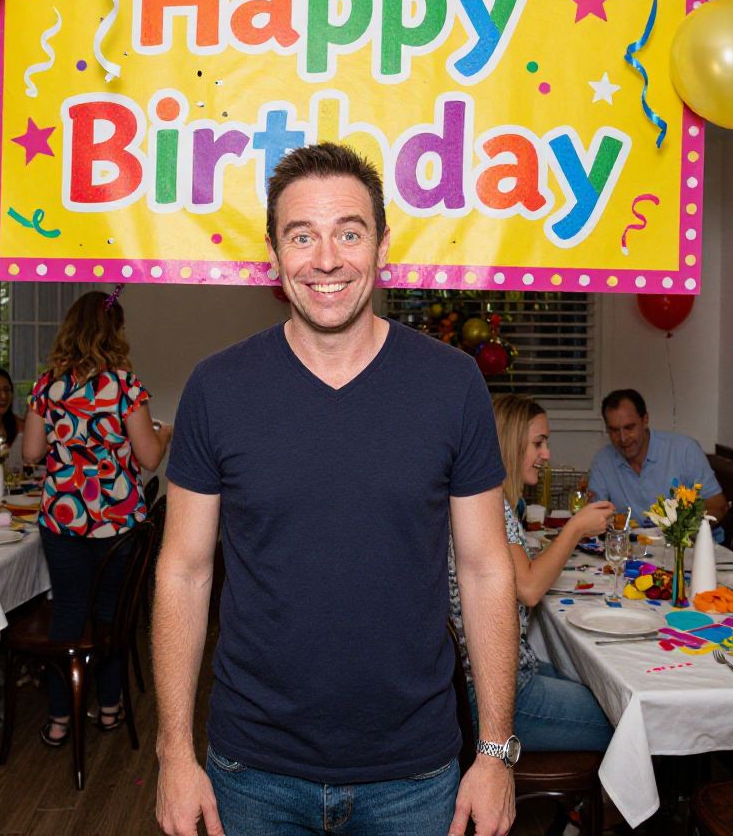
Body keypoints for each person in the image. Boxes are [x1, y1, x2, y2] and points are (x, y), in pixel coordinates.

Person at [153, 143, 520, 836]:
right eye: (302, 236)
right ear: (273, 252)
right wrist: (174, 749)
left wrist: (496, 752)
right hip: (252, 769)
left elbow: (485, 570)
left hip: (415, 773)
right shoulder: (217, 387)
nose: (327, 259)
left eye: (349, 232)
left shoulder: (452, 384)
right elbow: (183, 570)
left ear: (382, 243)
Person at [22, 291, 171, 747]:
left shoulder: (47, 386)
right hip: (117, 521)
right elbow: (147, 458)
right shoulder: (126, 387)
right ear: (114, 333)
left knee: (67, 614)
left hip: (62, 520)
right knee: (110, 616)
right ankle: (109, 709)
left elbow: (30, 454)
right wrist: (163, 434)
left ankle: (60, 718)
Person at [449, 394, 614, 752]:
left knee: (600, 686)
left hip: (487, 679)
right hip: (493, 693)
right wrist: (575, 528)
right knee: (623, 719)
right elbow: (528, 588)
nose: (547, 454)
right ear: (510, 444)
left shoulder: (495, 503)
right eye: (538, 443)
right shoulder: (491, 508)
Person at [589, 389, 728, 539]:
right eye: (614, 430)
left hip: (689, 547)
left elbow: (718, 505)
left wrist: (682, 530)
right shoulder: (603, 460)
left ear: (645, 420)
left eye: (629, 428)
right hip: (634, 551)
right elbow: (594, 516)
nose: (623, 438)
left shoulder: (684, 449)